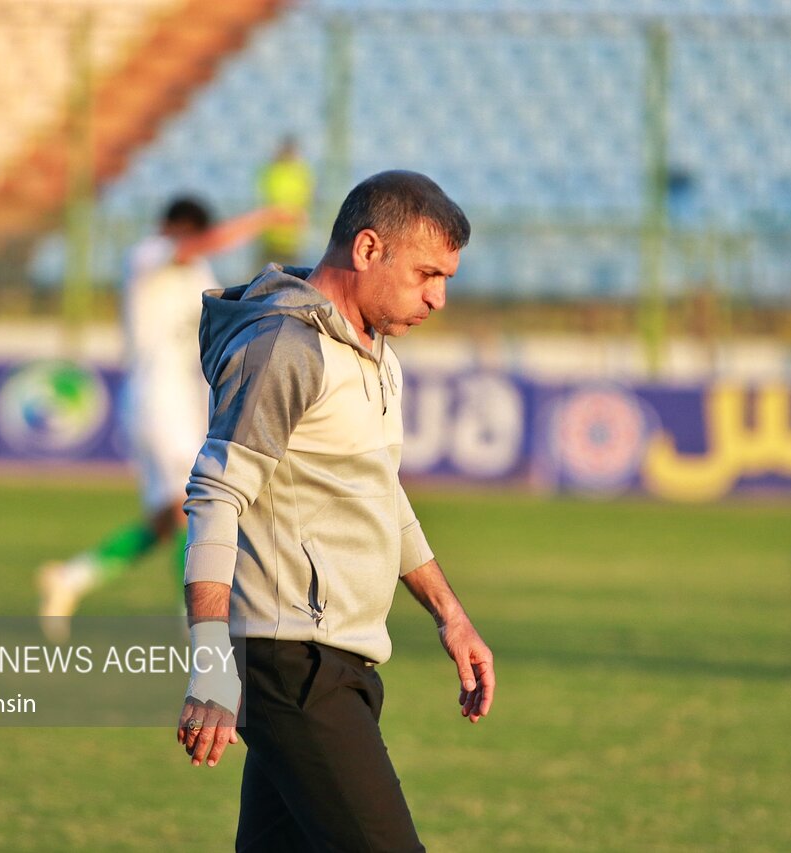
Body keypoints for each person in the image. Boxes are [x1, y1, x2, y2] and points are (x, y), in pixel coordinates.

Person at [174, 170, 496, 850]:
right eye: (427, 273)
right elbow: (216, 493)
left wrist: (451, 614)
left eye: (447, 280)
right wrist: (209, 659)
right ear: (369, 248)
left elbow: (382, 494)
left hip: (337, 662)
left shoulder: (377, 356)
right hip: (291, 662)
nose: (437, 298)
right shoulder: (285, 347)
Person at [36, 197, 281, 643]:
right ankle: (199, 627)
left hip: (182, 402)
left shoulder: (198, 272)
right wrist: (261, 218)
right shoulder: (149, 255)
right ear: (176, 228)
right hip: (156, 399)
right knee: (193, 508)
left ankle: (72, 578)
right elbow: (189, 249)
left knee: (165, 520)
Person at [255, 135, 315, 267]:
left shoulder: (301, 173)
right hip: (272, 237)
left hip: (291, 239)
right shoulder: (273, 171)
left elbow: (307, 199)